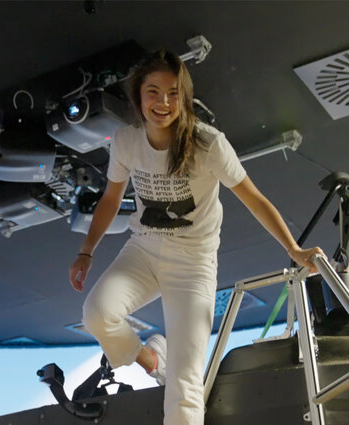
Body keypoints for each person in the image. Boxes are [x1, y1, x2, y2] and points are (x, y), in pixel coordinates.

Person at [68, 50, 323, 425]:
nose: (163, 102)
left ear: (184, 98)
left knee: (185, 384)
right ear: (138, 97)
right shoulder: (125, 142)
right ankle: (152, 360)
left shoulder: (208, 144)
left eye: (173, 93)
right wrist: (86, 252)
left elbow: (254, 199)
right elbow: (110, 199)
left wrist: (294, 249)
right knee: (97, 313)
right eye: (153, 92)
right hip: (143, 249)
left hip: (193, 263)